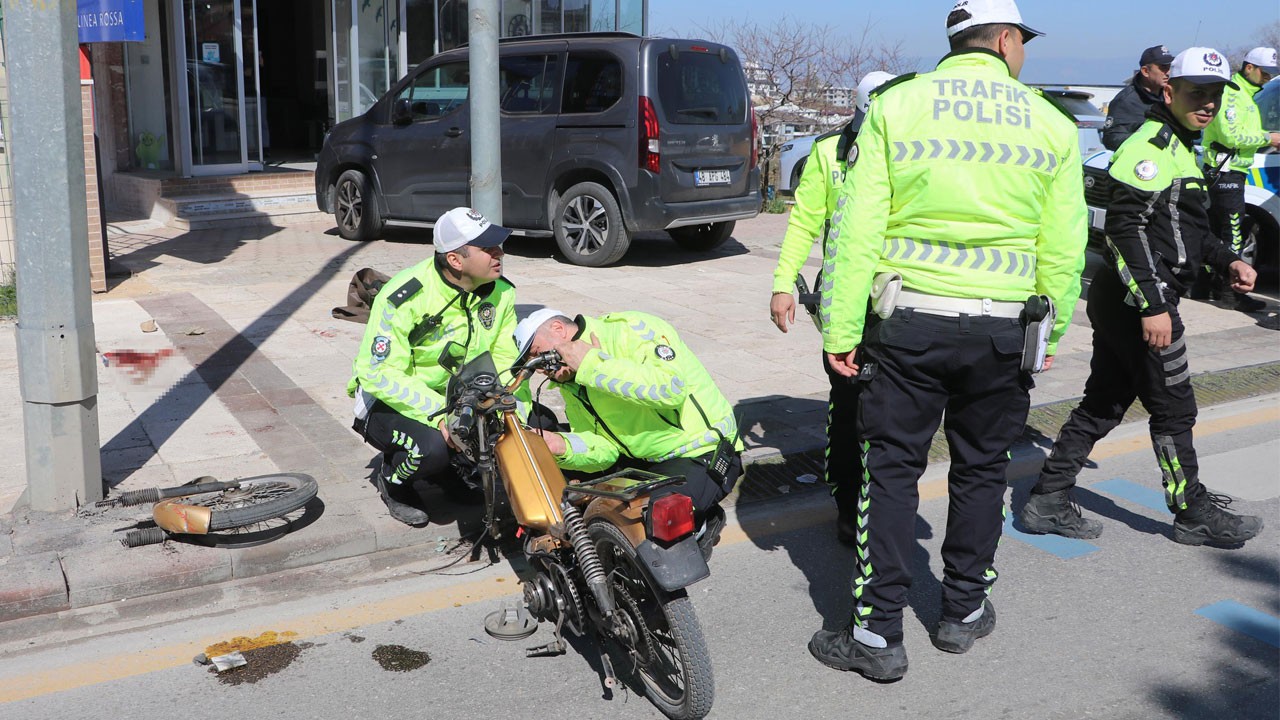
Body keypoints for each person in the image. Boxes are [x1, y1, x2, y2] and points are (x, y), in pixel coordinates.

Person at [808, 0, 1088, 682]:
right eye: (1023, 41)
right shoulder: (1051, 124)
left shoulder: (898, 107)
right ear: (1003, 39)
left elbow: (855, 231)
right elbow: (1064, 246)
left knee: (892, 471)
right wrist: (1048, 331)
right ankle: (962, 612)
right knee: (982, 468)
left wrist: (842, 329)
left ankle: (877, 638)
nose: (1024, 53)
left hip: (908, 325)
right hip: (1002, 330)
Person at [1020, 48, 1264, 548]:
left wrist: (1228, 260)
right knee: (1175, 409)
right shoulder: (1149, 147)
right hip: (1140, 301)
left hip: (1136, 298)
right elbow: (1123, 229)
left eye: (1215, 95)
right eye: (1197, 93)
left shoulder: (1181, 144)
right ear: (1168, 91)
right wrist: (1153, 306)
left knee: (1106, 402)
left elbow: (1188, 231)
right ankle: (1190, 509)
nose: (1208, 104)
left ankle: (1047, 497)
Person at [769, 69, 896, 547]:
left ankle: (883, 500)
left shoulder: (910, 148)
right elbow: (803, 223)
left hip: (900, 301)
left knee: (892, 410)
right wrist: (783, 283)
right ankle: (848, 503)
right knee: (848, 408)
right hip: (845, 300)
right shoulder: (829, 153)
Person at [512, 308, 743, 558]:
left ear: (558, 329)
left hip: (701, 451)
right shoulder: (572, 381)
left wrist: (591, 363)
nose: (542, 368)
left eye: (538, 353)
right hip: (646, 461)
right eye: (535, 364)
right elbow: (606, 448)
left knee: (650, 528)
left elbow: (671, 388)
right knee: (587, 515)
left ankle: (703, 523)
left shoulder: (631, 329)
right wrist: (561, 446)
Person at [348, 207, 520, 525]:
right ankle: (394, 483)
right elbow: (378, 373)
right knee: (431, 449)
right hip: (390, 401)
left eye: (499, 245)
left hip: (459, 397)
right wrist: (440, 414)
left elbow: (505, 358)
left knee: (525, 423)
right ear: (455, 260)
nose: (500, 253)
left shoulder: (502, 293)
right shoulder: (403, 296)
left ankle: (448, 477)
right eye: (488, 249)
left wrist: (501, 403)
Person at [1194, 46, 1280, 312]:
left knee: (1218, 231)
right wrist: (1269, 138)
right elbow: (1230, 138)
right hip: (1226, 170)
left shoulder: (1249, 94)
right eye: (1266, 72)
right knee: (1232, 235)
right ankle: (1230, 295)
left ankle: (1203, 286)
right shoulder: (1232, 94)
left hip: (1233, 170)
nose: (1268, 78)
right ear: (1249, 67)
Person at [1102, 45, 1174, 151]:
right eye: (1163, 68)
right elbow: (1111, 139)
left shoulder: (1168, 96)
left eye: (1169, 67)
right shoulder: (1125, 101)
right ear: (1145, 71)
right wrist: (1147, 139)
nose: (1167, 72)